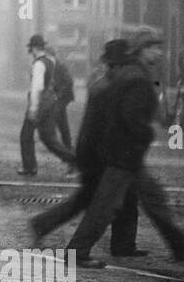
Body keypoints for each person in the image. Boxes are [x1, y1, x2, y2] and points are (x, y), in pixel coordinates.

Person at [65, 28, 184, 266]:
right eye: (155, 48)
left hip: (126, 152)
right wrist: (146, 134)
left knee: (154, 197)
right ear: (142, 50)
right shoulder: (136, 76)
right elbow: (130, 118)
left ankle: (178, 243)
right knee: (105, 205)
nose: (160, 53)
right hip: (124, 154)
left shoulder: (133, 72)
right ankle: (77, 252)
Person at [29, 39, 145, 257]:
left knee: (123, 198)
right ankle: (76, 246)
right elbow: (103, 126)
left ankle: (124, 244)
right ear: (116, 65)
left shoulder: (105, 83)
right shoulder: (106, 86)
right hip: (100, 156)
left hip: (100, 154)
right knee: (99, 202)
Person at [18, 34, 76, 176]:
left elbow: (37, 87)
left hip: (40, 105)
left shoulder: (38, 64)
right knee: (49, 138)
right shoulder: (49, 61)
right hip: (49, 104)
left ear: (34, 48)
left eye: (31, 49)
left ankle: (29, 167)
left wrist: (33, 108)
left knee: (26, 136)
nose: (30, 52)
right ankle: (75, 161)